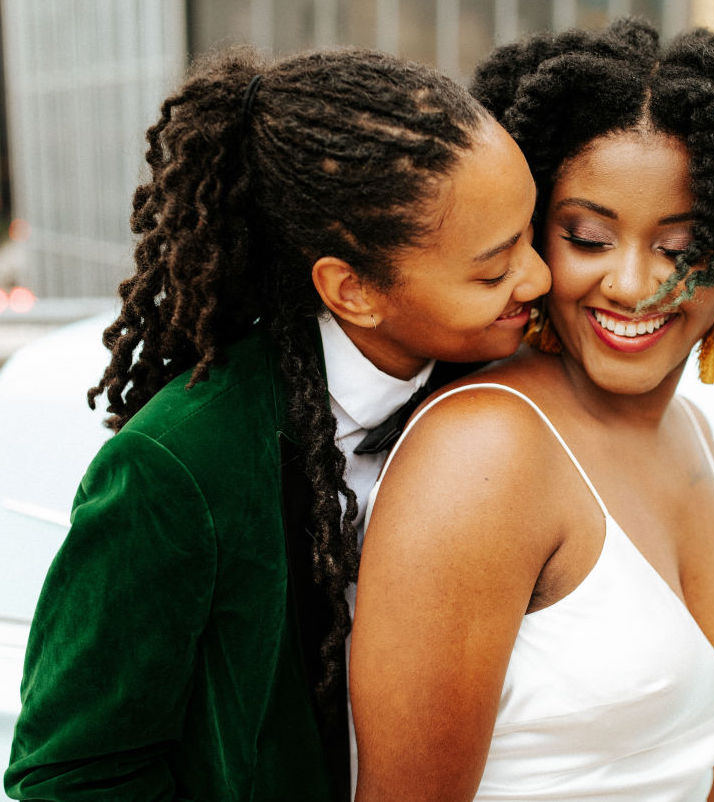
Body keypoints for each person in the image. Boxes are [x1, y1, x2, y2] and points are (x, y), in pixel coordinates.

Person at [349, 19, 714, 802]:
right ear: (530, 239)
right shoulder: (484, 451)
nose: (630, 284)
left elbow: (695, 758)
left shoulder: (692, 434)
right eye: (587, 237)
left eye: (681, 247)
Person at [4, 46, 548, 802]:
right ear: (352, 291)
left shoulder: (510, 385)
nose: (538, 277)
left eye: (532, 234)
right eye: (493, 269)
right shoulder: (179, 467)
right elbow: (72, 773)